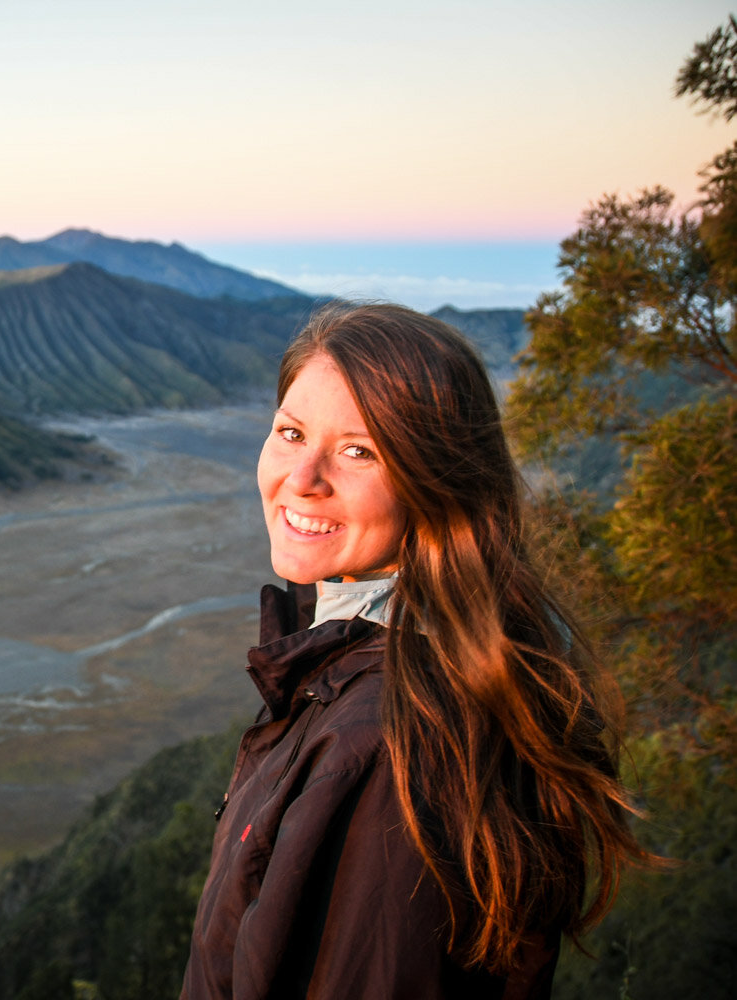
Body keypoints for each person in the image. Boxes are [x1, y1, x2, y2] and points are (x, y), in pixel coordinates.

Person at [180, 303, 648, 999]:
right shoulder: (410, 668)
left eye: (359, 450)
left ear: (438, 480)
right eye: (290, 432)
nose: (302, 477)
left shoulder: (393, 752)